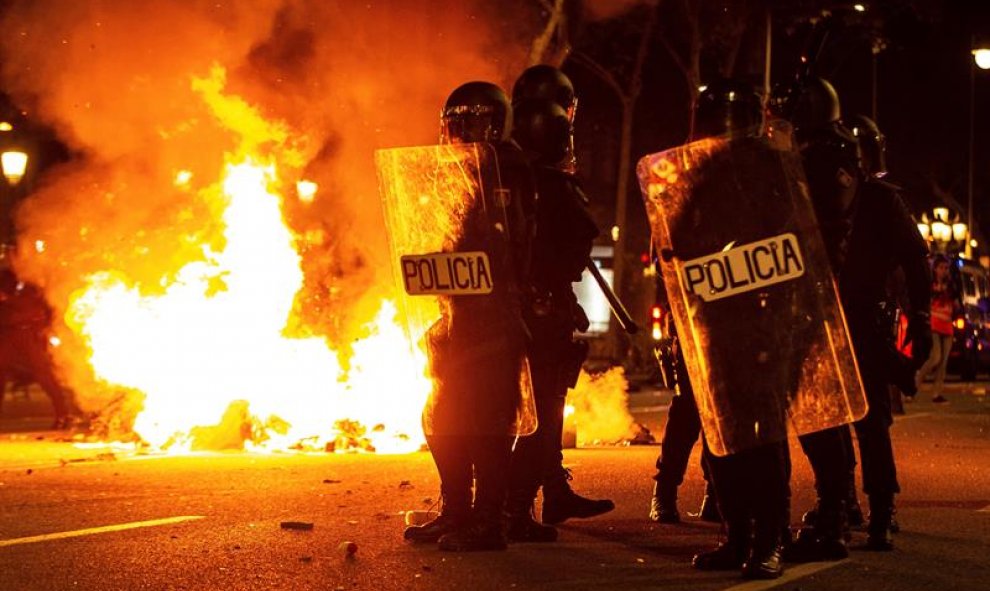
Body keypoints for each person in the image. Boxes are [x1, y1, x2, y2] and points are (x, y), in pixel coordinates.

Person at [793, 78, 932, 552]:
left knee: (868, 420)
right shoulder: (794, 189)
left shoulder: (879, 200)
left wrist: (921, 315)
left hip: (863, 319)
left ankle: (879, 509)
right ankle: (840, 504)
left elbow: (916, 258)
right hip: (815, 319)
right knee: (823, 418)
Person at [402, 81, 535, 552]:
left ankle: (488, 522)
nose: (460, 133)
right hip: (458, 316)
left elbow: (506, 243)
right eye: (455, 124)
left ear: (495, 124)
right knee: (441, 416)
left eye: (471, 123)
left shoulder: (507, 173)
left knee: (487, 421)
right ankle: (457, 509)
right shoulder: (455, 174)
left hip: (494, 317)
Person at [670, 78, 790, 580]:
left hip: (762, 321)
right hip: (713, 321)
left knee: (762, 438)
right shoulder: (698, 175)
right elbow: (676, 240)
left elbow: (793, 243)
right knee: (721, 435)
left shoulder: (773, 169)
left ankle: (770, 539)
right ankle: (737, 532)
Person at [504, 66, 614, 542]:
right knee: (541, 409)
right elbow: (575, 247)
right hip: (540, 310)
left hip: (503, 312)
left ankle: (547, 490)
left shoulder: (495, 173)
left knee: (529, 408)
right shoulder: (549, 184)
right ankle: (513, 505)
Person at [0, 265, 77, 429]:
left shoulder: (31, 283)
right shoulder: (5, 278)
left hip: (29, 335)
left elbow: (35, 308)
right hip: (7, 335)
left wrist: (8, 299)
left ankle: (63, 414)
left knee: (44, 375)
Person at [915, 255, 956, 404]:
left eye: (946, 268)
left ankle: (936, 393)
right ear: (935, 269)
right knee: (935, 357)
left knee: (943, 361)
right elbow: (928, 300)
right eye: (941, 268)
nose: (944, 271)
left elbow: (956, 303)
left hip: (947, 323)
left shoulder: (951, 285)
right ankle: (915, 383)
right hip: (934, 322)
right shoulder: (930, 283)